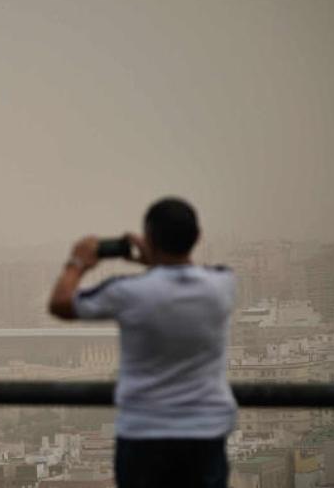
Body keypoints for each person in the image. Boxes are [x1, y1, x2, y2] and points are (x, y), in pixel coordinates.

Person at [48, 197, 236, 488]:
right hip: (205, 431)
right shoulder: (222, 285)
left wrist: (78, 262)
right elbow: (181, 275)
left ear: (148, 239)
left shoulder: (128, 292)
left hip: (144, 434)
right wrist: (156, 259)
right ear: (197, 237)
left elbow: (60, 304)